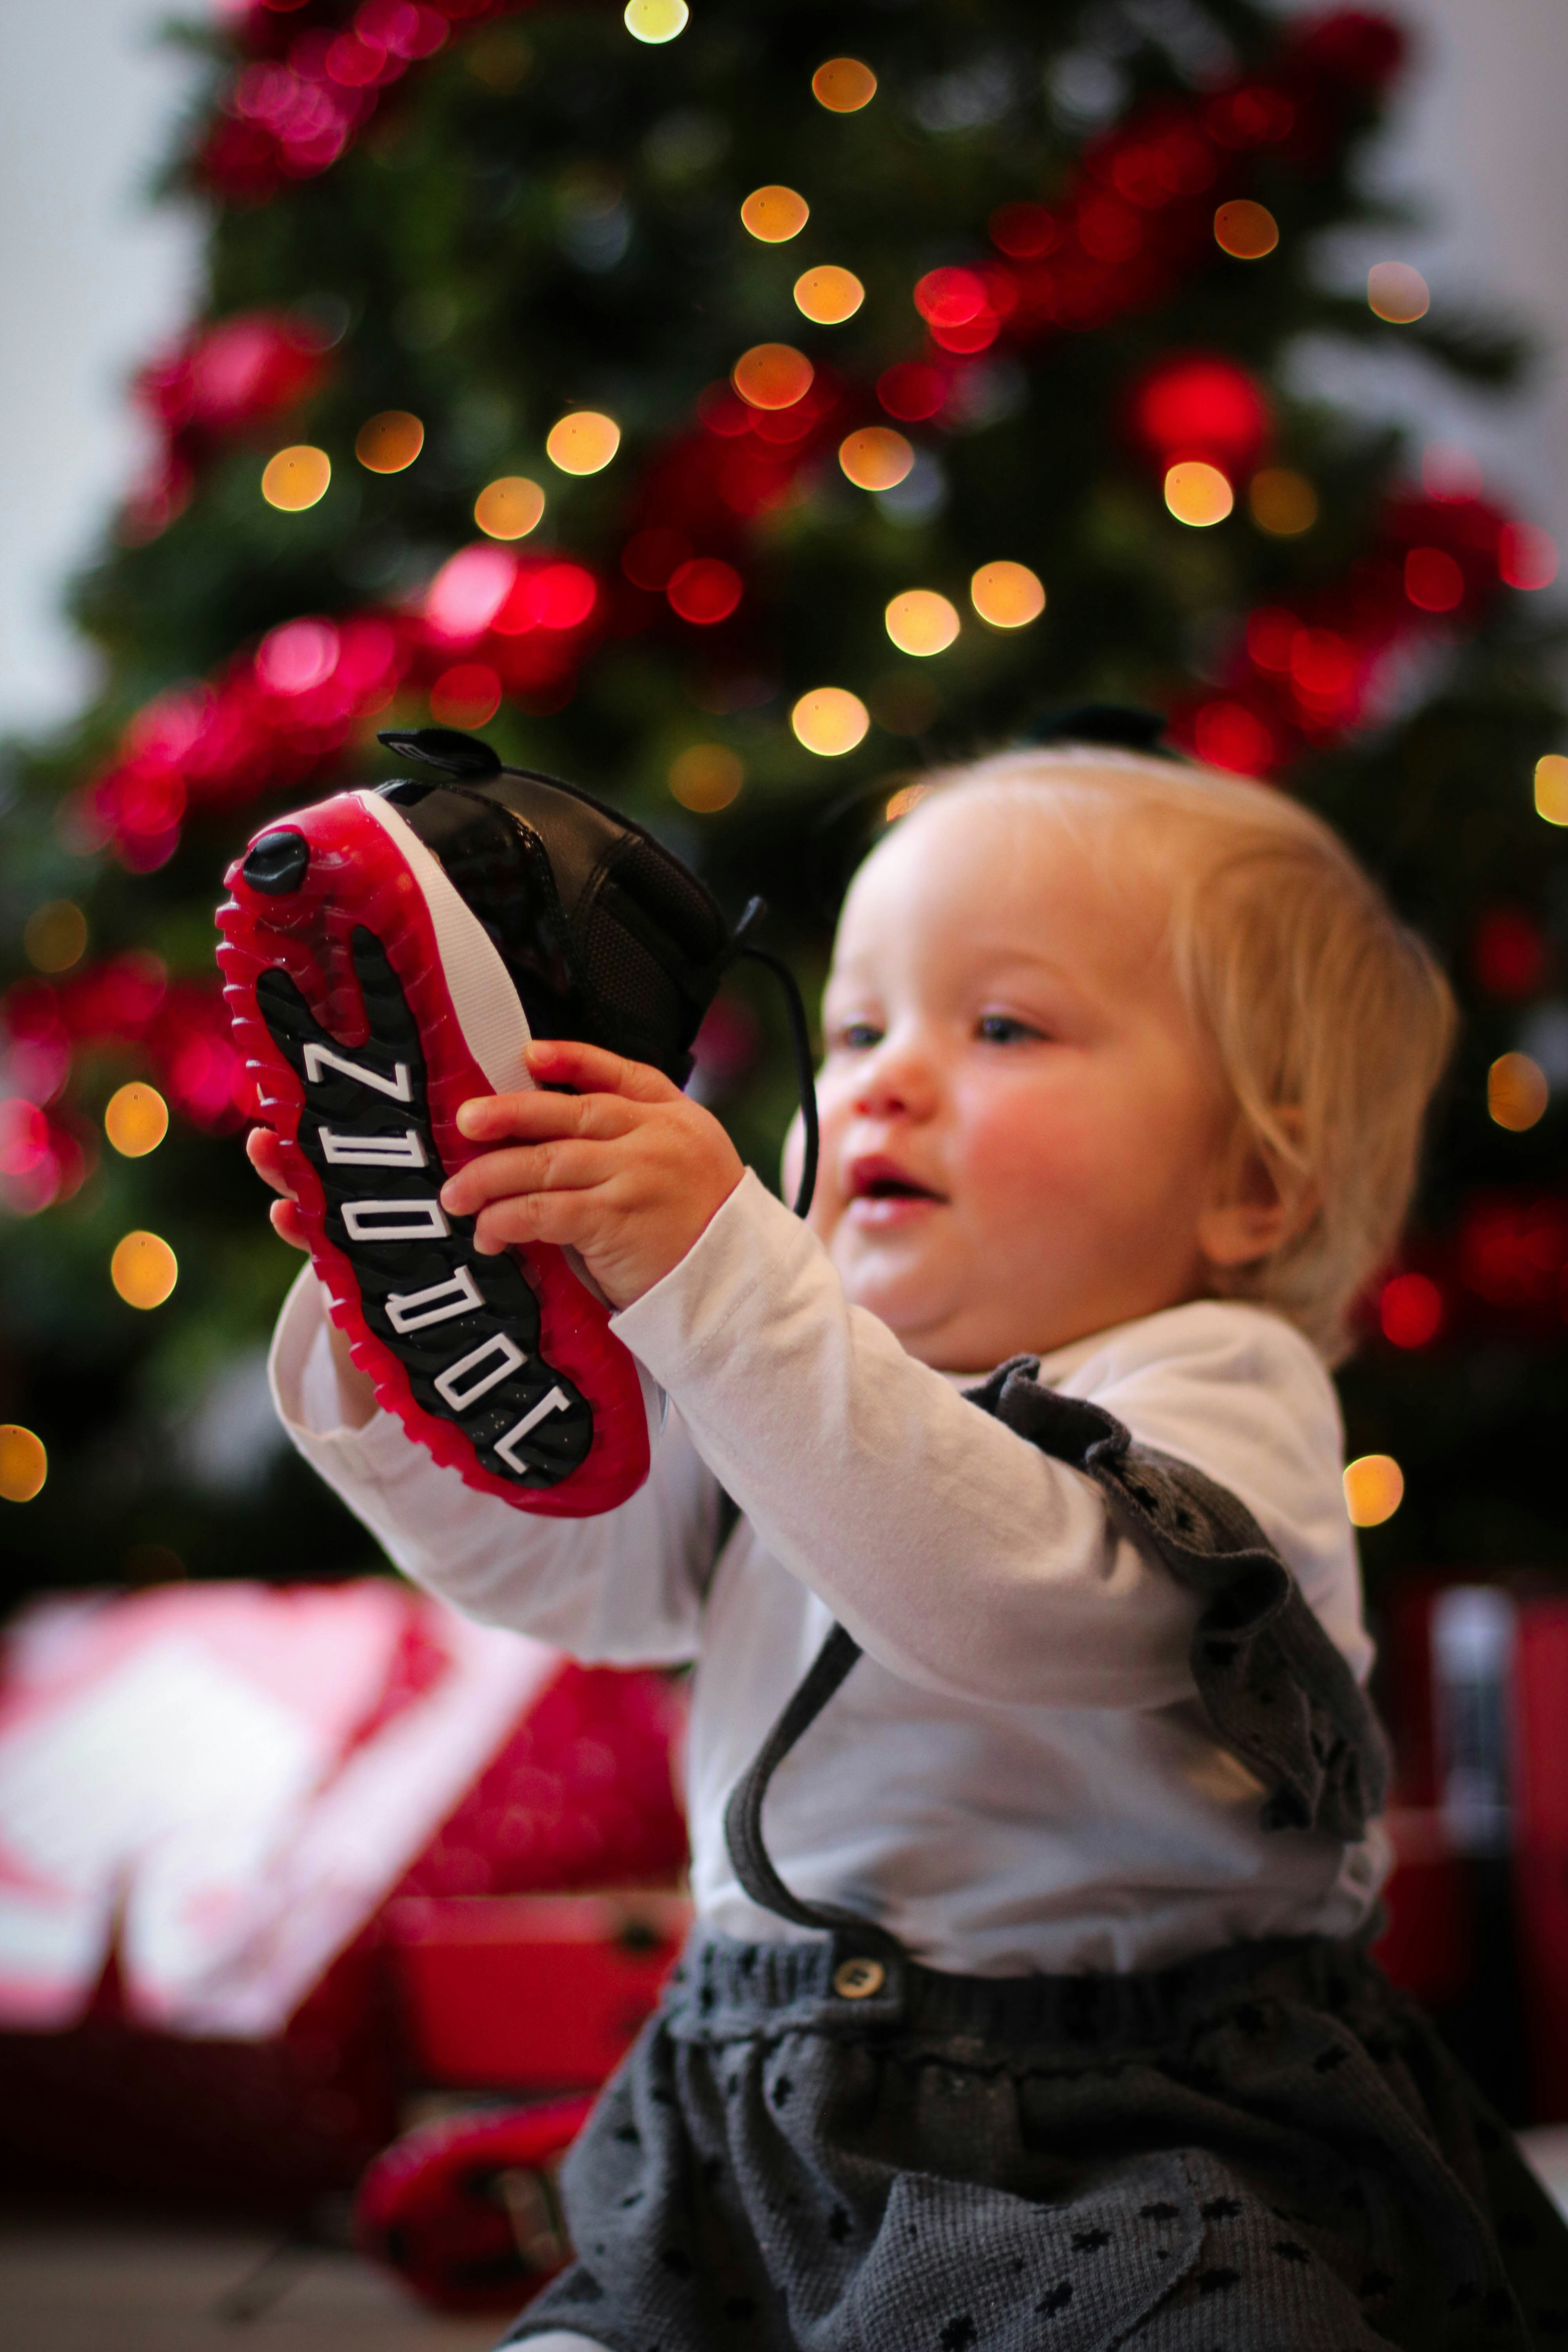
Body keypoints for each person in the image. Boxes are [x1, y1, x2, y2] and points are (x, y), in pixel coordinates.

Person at [257, 737, 1568, 2349]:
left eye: (1002, 1024)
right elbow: (584, 1574)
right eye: (860, 1025)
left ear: (1254, 1184)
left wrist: (729, 1286)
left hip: (1125, 2121)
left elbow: (1014, 1597)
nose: (878, 1077)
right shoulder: (782, 1377)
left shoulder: (1217, 1384)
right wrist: (403, 1316)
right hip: (752, 2093)